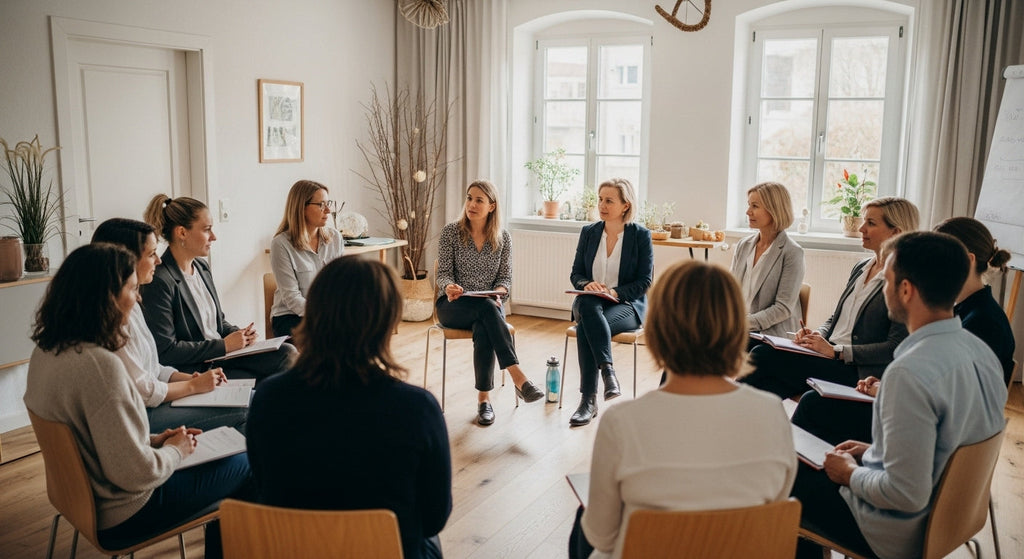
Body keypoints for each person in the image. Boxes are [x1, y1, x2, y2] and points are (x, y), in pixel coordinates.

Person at [23, 243, 253, 558]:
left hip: (81, 499)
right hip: (125, 511)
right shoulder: (101, 366)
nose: (139, 297)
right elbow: (136, 474)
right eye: (132, 289)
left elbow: (94, 437)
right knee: (250, 462)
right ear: (105, 298)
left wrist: (153, 440)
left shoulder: (46, 352)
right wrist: (175, 450)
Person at [791, 231, 1007, 559]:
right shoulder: (981, 352)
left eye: (886, 280)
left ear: (905, 290)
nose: (884, 287)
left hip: (895, 532)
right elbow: (948, 444)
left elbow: (905, 494)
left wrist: (849, 472)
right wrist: (876, 452)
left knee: (786, 475)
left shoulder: (909, 372)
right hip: (953, 517)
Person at [569, 260, 797, 559]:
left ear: (658, 328)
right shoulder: (772, 413)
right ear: (736, 328)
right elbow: (774, 506)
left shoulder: (622, 423)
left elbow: (601, 535)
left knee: (582, 525)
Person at [248, 257, 452, 559]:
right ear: (387, 322)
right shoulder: (417, 409)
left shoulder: (268, 397)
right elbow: (435, 516)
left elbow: (264, 485)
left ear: (314, 312)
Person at [791, 216, 1016, 444]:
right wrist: (883, 385)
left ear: (966, 261)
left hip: (928, 432)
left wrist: (888, 392)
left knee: (814, 406)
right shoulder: (961, 310)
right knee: (815, 403)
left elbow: (955, 404)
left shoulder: (983, 323)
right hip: (921, 419)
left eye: (937, 257)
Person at [742, 197, 919, 398]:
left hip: (854, 368)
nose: (861, 229)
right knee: (764, 373)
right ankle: (740, 419)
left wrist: (837, 351)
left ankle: (726, 413)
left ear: (895, 232)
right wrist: (816, 335)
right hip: (828, 355)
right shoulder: (861, 267)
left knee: (762, 357)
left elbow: (894, 347)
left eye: (870, 223)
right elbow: (836, 318)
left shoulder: (905, 281)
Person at [91, 218, 247, 434]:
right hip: (139, 416)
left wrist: (191, 379)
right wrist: (192, 387)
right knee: (247, 409)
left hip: (153, 401)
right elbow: (144, 390)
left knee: (252, 401)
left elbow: (153, 368)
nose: (158, 261)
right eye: (151, 254)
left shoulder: (132, 303)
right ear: (125, 259)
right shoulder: (109, 315)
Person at [141, 194, 296, 380]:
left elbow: (217, 322)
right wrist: (224, 345)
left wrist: (240, 335)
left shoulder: (201, 267)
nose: (213, 237)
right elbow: (166, 350)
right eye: (207, 230)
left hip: (221, 355)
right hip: (197, 366)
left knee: (287, 351)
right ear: (182, 232)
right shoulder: (160, 280)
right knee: (277, 367)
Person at [435, 180, 543, 426]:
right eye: (469, 198)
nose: (471, 204)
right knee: (487, 311)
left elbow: (505, 279)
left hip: (488, 308)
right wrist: (449, 286)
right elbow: (443, 274)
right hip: (453, 305)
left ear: (492, 206)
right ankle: (518, 378)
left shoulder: (503, 238)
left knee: (485, 321)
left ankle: (484, 401)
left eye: (479, 200)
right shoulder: (451, 232)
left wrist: (499, 292)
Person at [567, 178, 653, 426]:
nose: (602, 205)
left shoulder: (640, 236)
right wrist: (587, 285)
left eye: (609, 200)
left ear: (625, 205)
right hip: (590, 302)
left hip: (625, 305)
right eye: (600, 199)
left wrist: (614, 292)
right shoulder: (589, 232)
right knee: (587, 305)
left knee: (586, 327)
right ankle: (609, 373)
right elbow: (576, 274)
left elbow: (644, 281)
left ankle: (587, 401)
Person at [269, 180, 345, 338]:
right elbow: (292, 298)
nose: (328, 210)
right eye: (321, 204)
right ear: (301, 208)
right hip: (290, 318)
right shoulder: (281, 244)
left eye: (328, 203)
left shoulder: (335, 238)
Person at [731, 182, 804, 338]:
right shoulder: (743, 245)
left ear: (774, 210)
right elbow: (730, 291)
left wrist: (741, 324)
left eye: (755, 206)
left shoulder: (792, 252)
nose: (748, 212)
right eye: (749, 205)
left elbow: (782, 309)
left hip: (770, 335)